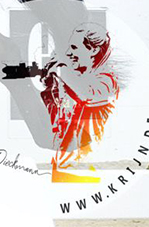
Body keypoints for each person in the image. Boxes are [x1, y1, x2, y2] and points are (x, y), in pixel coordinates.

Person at [40, 23, 120, 180]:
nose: (69, 53)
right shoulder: (77, 76)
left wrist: (63, 70)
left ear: (93, 50)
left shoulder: (106, 78)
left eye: (74, 48)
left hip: (92, 164)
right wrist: (51, 78)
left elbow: (87, 95)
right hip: (68, 162)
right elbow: (60, 102)